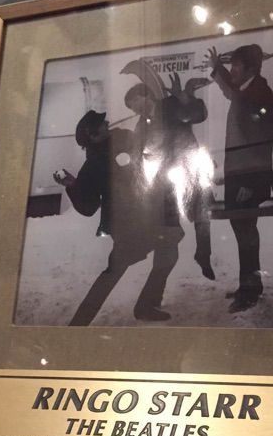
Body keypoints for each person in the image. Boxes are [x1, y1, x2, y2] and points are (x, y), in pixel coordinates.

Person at [55, 110, 181, 324]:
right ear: (92, 135)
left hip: (151, 214)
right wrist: (74, 185)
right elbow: (88, 207)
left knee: (168, 253)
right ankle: (79, 324)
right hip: (126, 225)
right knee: (113, 272)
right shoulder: (94, 165)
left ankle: (146, 306)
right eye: (101, 123)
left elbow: (147, 144)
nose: (107, 123)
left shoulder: (124, 138)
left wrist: (149, 119)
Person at [206, 44, 273, 312]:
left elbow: (259, 143)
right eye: (232, 65)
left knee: (246, 233)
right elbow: (231, 91)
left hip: (248, 178)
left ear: (250, 68)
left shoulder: (259, 94)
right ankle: (249, 285)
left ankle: (249, 291)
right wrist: (218, 68)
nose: (233, 70)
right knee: (243, 231)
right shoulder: (246, 90)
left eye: (236, 65)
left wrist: (250, 182)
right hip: (240, 176)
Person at [124, 77, 215, 281]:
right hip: (165, 175)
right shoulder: (142, 124)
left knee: (201, 213)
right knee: (169, 217)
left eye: (134, 103)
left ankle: (203, 254)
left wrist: (185, 98)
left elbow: (197, 115)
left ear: (144, 95)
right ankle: (167, 253)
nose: (135, 109)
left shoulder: (169, 105)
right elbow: (137, 148)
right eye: (131, 108)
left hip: (189, 167)